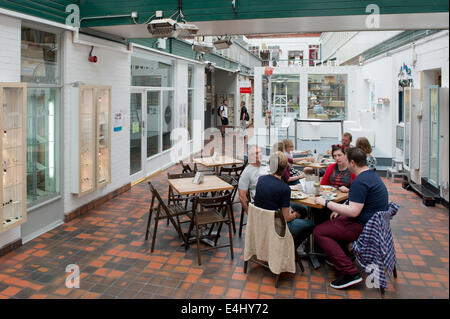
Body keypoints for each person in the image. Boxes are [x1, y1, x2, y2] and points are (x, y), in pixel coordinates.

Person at [313, 147, 389, 289]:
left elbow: (353, 212)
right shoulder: (371, 176)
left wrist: (327, 203)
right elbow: (356, 204)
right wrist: (340, 210)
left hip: (364, 226)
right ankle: (340, 258)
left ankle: (350, 272)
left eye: (346, 160)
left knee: (319, 231)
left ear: (352, 163)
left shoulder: (360, 182)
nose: (345, 163)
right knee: (333, 222)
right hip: (373, 223)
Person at [254, 151, 315, 250]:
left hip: (261, 222)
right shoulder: (284, 188)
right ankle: (291, 248)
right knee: (312, 225)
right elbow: (286, 218)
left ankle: (286, 244)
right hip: (277, 227)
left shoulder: (261, 179)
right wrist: (295, 215)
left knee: (302, 209)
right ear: (286, 168)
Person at [238, 145, 266, 215]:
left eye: (260, 152)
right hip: (261, 201)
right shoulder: (247, 172)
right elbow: (242, 196)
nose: (260, 155)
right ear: (251, 156)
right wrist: (249, 213)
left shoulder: (265, 166)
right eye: (256, 153)